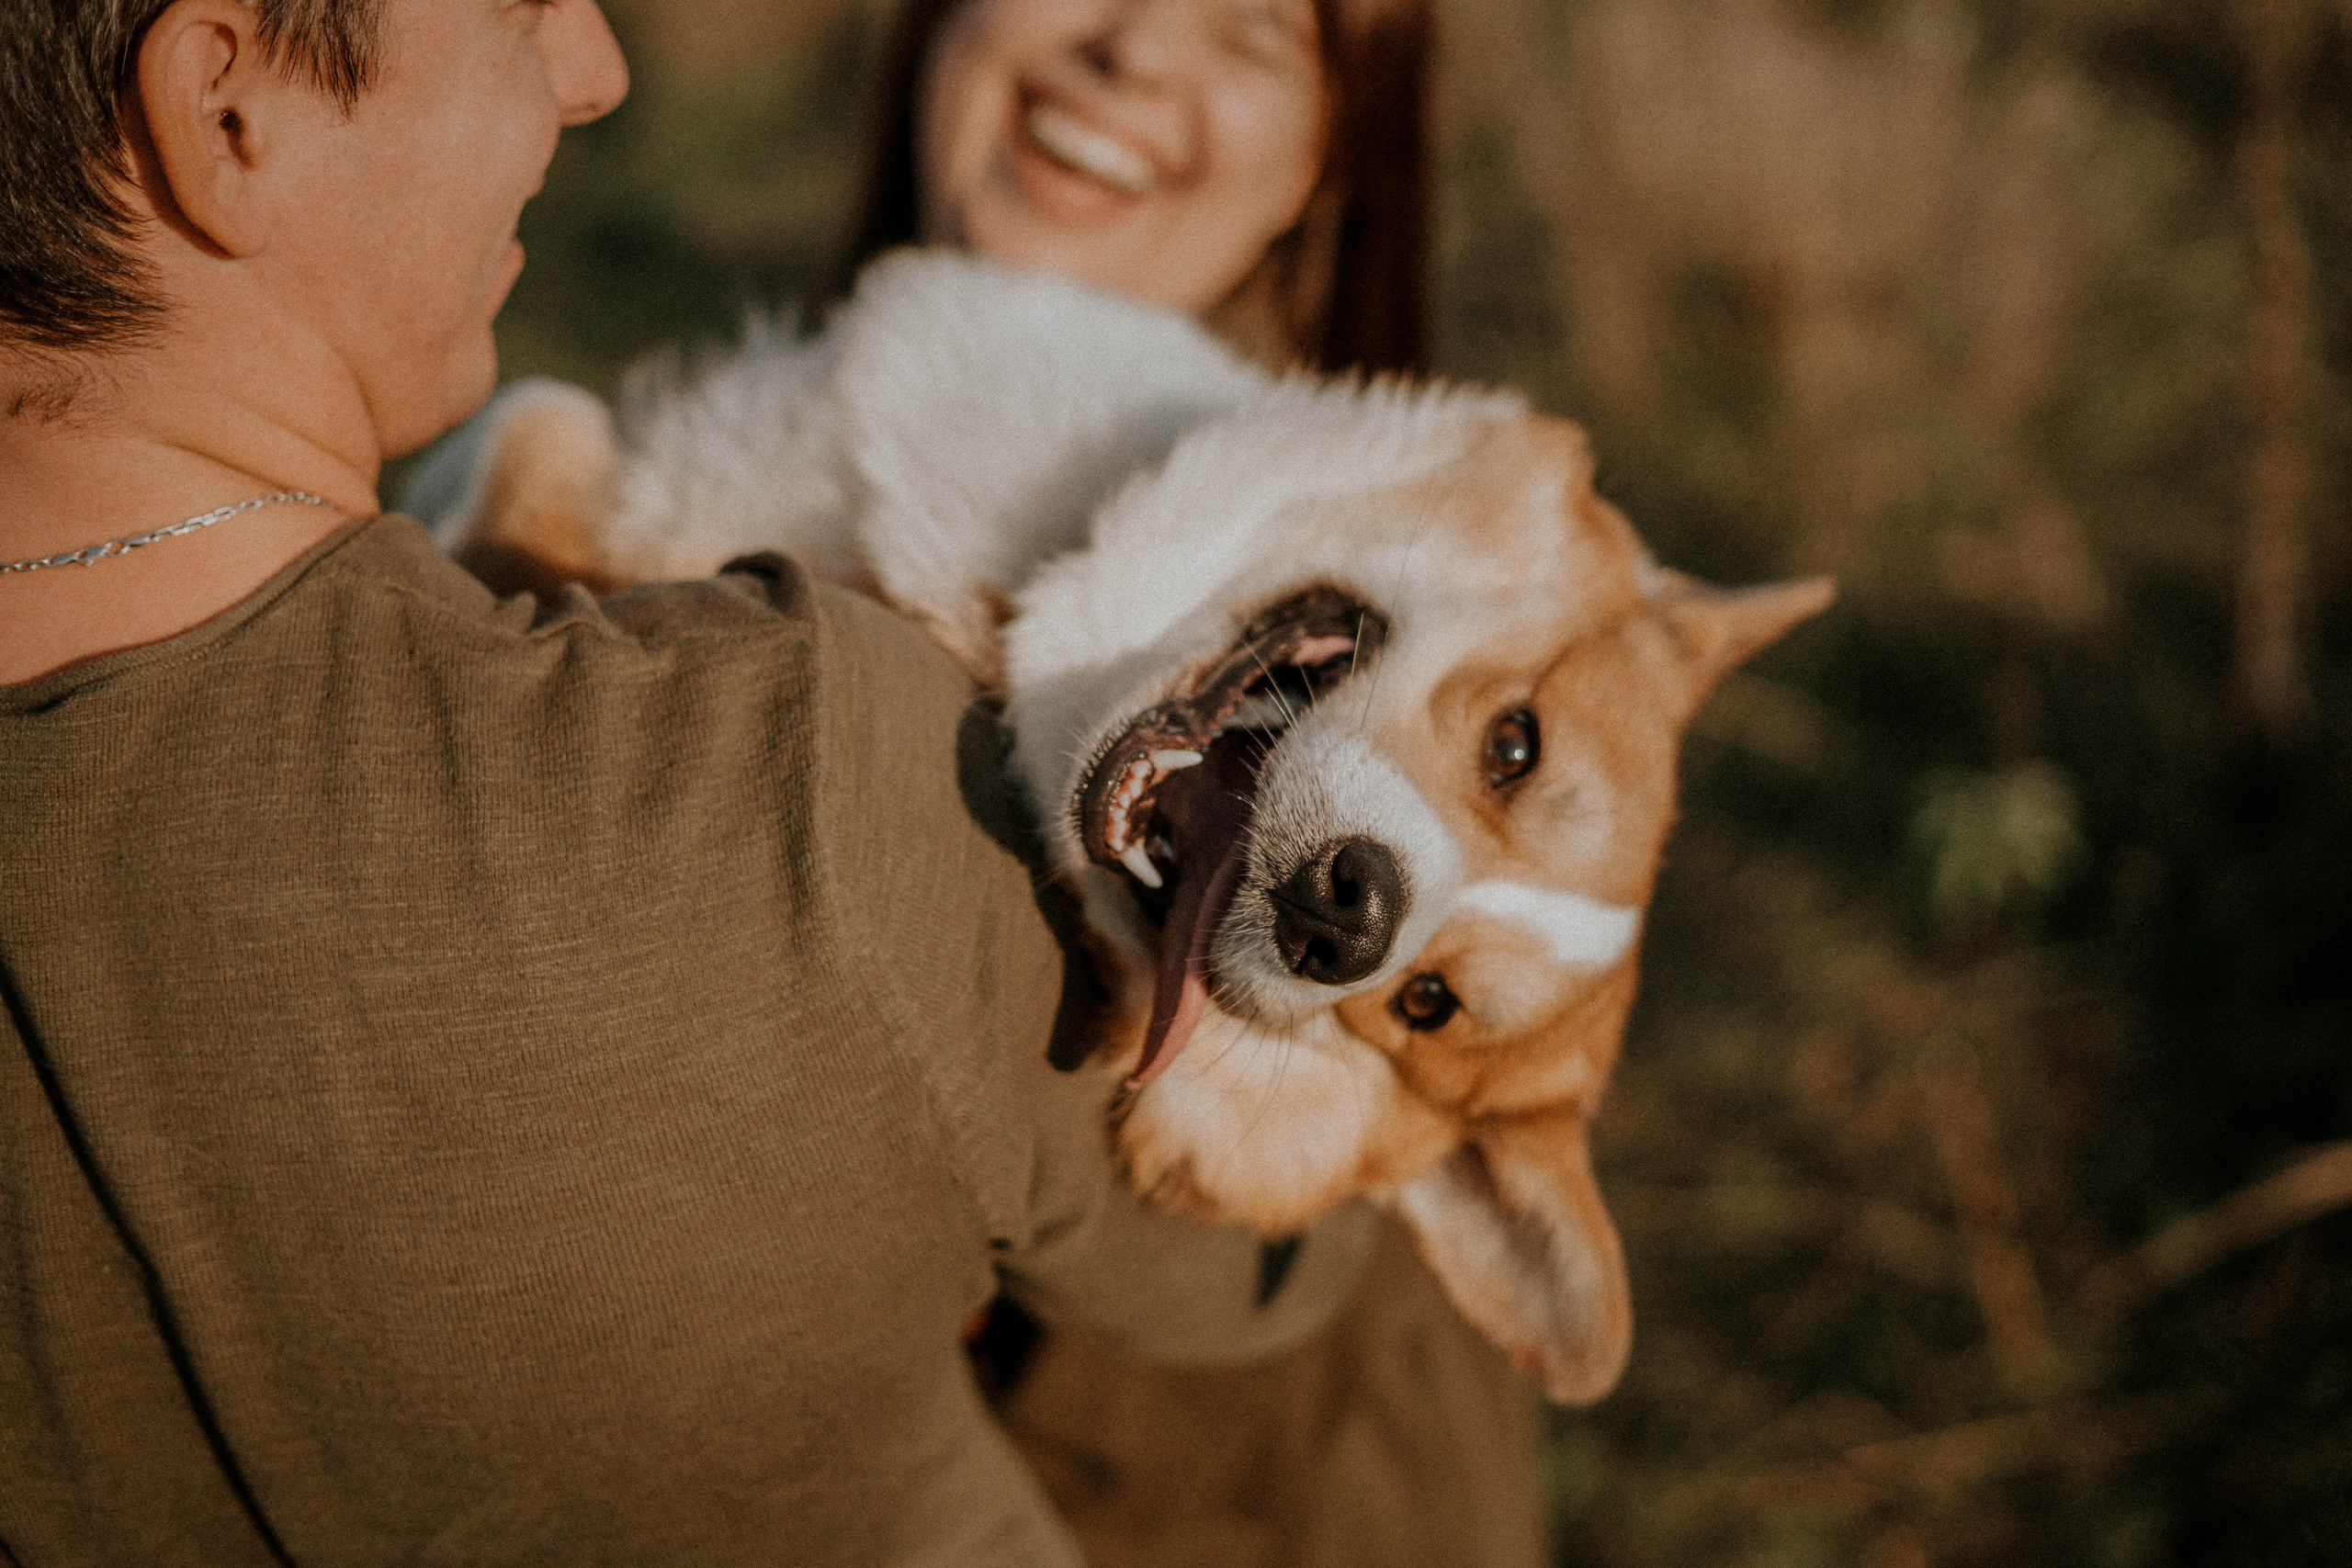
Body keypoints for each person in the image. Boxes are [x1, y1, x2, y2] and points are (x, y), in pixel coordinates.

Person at [0, 3, 1374, 1562]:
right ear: (224, 108)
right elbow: (1264, 1251)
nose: (597, 67)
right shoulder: (801, 753)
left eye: (1253, 33)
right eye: (521, 9)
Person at [835, 4, 1552, 1566]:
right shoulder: (824, 417)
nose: (1136, 52)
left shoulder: (1333, 631)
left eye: (1253, 29)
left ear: (1324, 165)